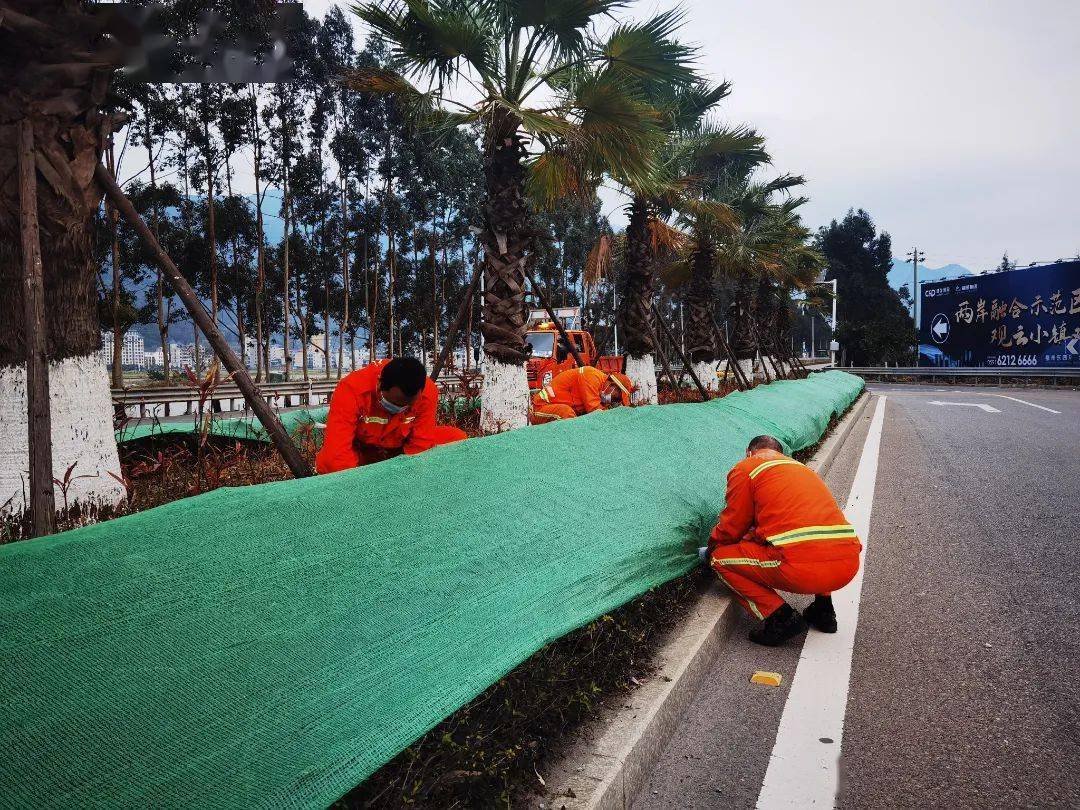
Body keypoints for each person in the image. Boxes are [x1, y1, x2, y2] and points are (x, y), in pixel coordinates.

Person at [706, 434, 861, 646]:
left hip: (800, 570)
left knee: (719, 559)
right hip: (847, 565)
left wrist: (712, 545)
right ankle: (824, 610)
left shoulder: (747, 467)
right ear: (781, 454)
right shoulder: (801, 469)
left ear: (748, 453)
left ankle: (780, 618)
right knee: (815, 541)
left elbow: (733, 526)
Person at [315, 357, 467, 474]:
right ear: (380, 385)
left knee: (456, 437)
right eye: (395, 403)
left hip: (399, 450)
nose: (399, 409)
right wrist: (355, 487)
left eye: (407, 405)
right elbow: (338, 449)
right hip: (363, 451)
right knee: (329, 461)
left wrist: (411, 475)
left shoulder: (428, 392)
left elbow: (421, 442)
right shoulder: (351, 389)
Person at [531, 366, 634, 422]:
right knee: (566, 413)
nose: (612, 401)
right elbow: (595, 412)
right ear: (612, 385)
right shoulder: (591, 377)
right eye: (615, 398)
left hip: (554, 407)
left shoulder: (600, 387)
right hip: (540, 407)